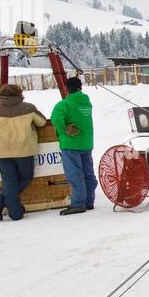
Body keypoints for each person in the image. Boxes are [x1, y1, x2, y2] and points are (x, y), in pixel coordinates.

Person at [0, 83, 47, 221]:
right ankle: (10, 209)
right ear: (19, 94)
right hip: (23, 150)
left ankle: (7, 206)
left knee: (9, 180)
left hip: (1, 151)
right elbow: (42, 122)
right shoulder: (28, 108)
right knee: (25, 177)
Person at [51, 76, 96, 215]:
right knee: (88, 173)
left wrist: (64, 129)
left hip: (71, 144)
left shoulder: (63, 104)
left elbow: (56, 119)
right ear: (80, 88)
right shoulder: (86, 103)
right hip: (86, 143)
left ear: (66, 88)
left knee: (75, 174)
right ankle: (88, 201)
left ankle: (78, 203)